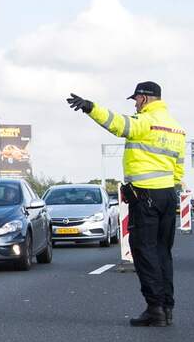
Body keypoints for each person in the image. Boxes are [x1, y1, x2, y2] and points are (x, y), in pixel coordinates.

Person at [66, 82, 185, 327]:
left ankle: (155, 309)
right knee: (163, 252)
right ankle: (167, 307)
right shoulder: (177, 129)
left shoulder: (145, 121)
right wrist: (170, 189)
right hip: (168, 194)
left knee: (144, 250)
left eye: (136, 100)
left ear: (144, 98)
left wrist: (90, 107)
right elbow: (179, 167)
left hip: (145, 195)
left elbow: (117, 124)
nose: (135, 105)